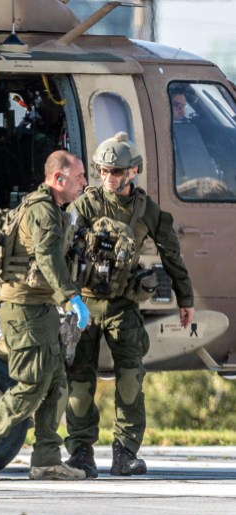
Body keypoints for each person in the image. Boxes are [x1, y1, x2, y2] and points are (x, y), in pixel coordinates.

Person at [65, 132, 195, 478]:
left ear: (133, 171)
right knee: (78, 381)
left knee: (129, 381)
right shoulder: (85, 205)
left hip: (123, 306)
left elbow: (172, 255)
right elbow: (59, 249)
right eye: (105, 171)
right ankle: (80, 453)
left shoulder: (146, 210)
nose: (110, 177)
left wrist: (186, 299)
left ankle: (124, 454)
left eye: (117, 172)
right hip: (85, 306)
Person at [0, 150, 90, 481]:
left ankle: (46, 459)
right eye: (79, 177)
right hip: (26, 310)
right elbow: (47, 257)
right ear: (58, 178)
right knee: (32, 383)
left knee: (56, 382)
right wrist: (71, 296)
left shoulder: (47, 207)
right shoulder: (43, 211)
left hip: (39, 307)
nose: (85, 182)